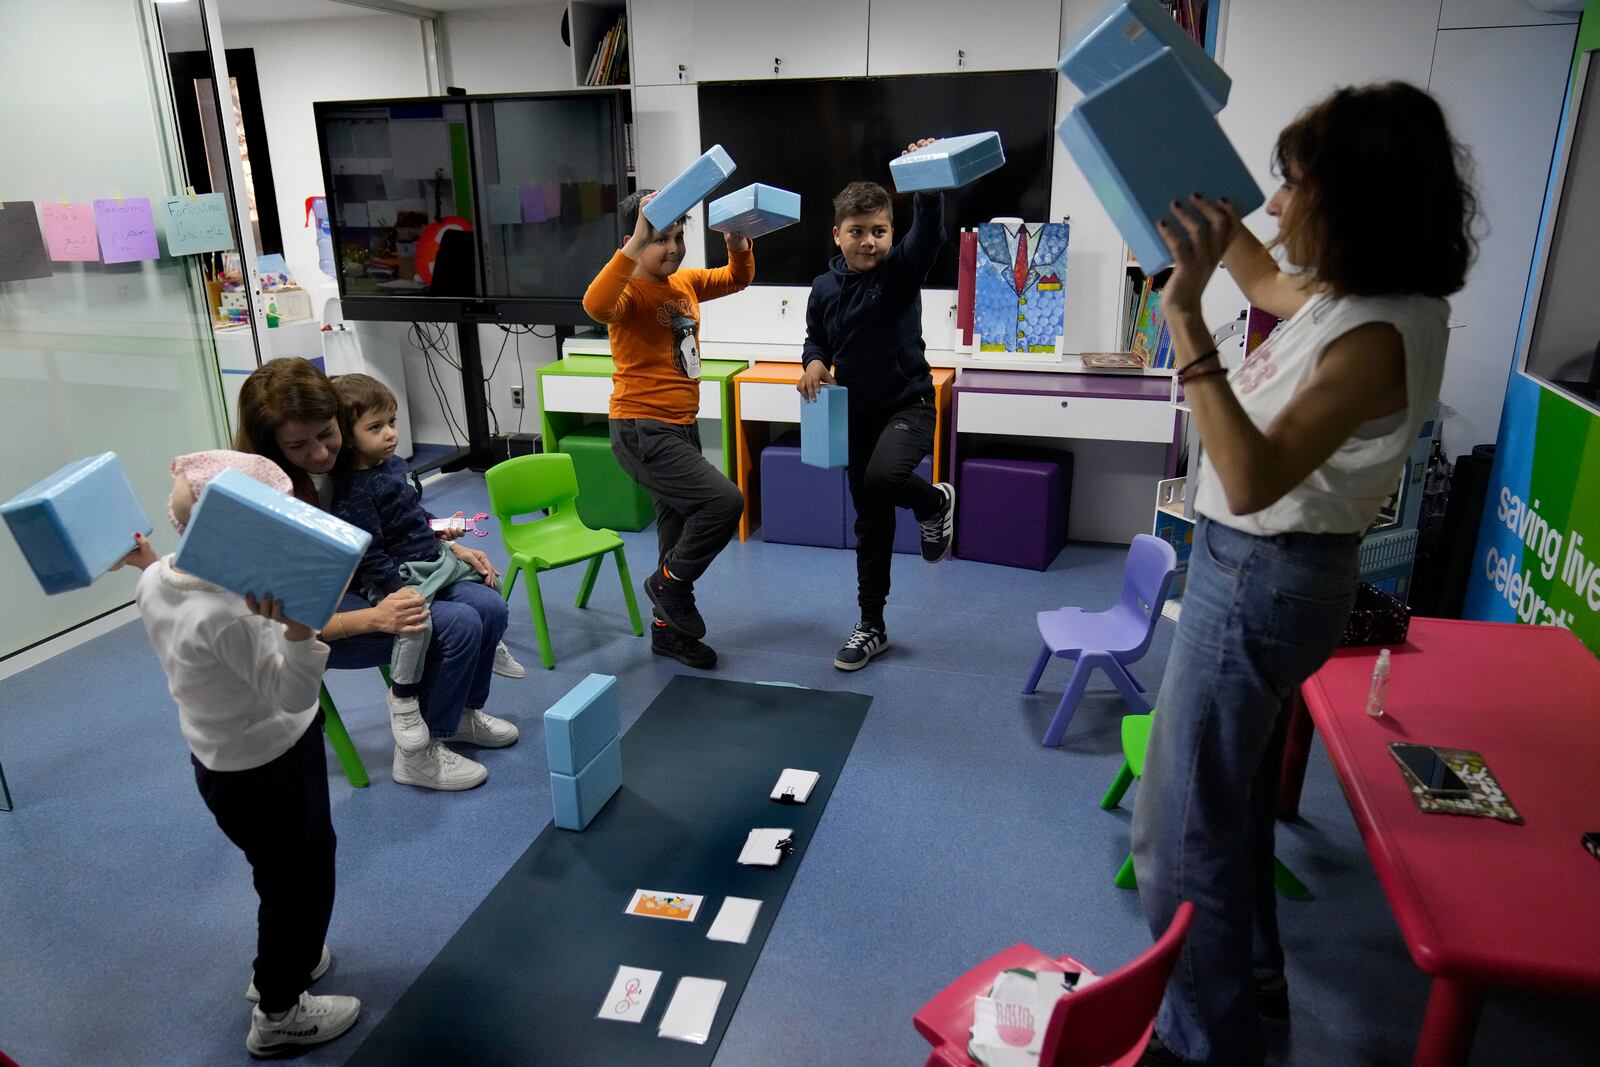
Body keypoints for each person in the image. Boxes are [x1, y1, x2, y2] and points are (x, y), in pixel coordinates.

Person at [1129, 82, 1478, 1067]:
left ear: (1358, 199)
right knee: (1228, 801)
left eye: (1290, 185)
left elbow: (1245, 477)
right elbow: (1263, 275)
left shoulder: (1373, 336)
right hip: (1266, 577)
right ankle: (1251, 972)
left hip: (1261, 576)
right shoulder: (1357, 298)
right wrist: (1192, 184)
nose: (1274, 209)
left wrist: (1183, 319)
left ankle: (1203, 1039)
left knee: (1177, 827)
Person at [118, 450, 359, 1058]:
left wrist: (148, 560)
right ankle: (279, 1010)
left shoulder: (155, 577)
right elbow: (289, 691)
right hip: (269, 759)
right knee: (299, 880)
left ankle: (291, 958)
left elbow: (179, 599)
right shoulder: (234, 614)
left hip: (219, 760)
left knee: (276, 872)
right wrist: (302, 632)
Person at [234, 357, 514, 792]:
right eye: (298, 446)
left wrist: (447, 547)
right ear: (272, 447)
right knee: (457, 624)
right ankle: (416, 755)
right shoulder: (269, 500)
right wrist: (373, 619)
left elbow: (401, 520)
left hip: (369, 583)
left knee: (489, 606)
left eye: (328, 433)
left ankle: (457, 717)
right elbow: (282, 620)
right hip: (316, 626)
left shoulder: (359, 465)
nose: (320, 453)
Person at [798, 143, 956, 672]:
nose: (870, 241)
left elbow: (928, 236)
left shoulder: (900, 274)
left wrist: (927, 185)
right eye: (858, 231)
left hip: (909, 405)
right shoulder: (822, 289)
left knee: (884, 480)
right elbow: (816, 339)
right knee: (871, 521)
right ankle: (872, 626)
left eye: (880, 231)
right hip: (856, 417)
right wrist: (814, 363)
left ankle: (933, 504)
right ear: (837, 234)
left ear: (891, 234)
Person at [582, 188, 753, 669]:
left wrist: (737, 239)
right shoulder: (628, 293)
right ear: (634, 240)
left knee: (675, 535)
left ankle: (667, 632)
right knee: (725, 502)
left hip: (680, 427)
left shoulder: (685, 282)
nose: (673, 248)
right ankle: (668, 586)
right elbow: (594, 305)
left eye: (678, 236)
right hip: (642, 429)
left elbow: (738, 277)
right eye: (660, 239)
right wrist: (636, 242)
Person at [330, 372, 520, 763]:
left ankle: (466, 714)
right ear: (348, 437)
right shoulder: (354, 488)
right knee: (457, 622)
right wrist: (393, 590)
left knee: (490, 603)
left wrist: (447, 538)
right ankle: (425, 734)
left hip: (430, 559)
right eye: (376, 427)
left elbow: (411, 511)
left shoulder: (394, 465)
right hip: (401, 576)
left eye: (392, 422)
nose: (390, 434)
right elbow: (369, 549)